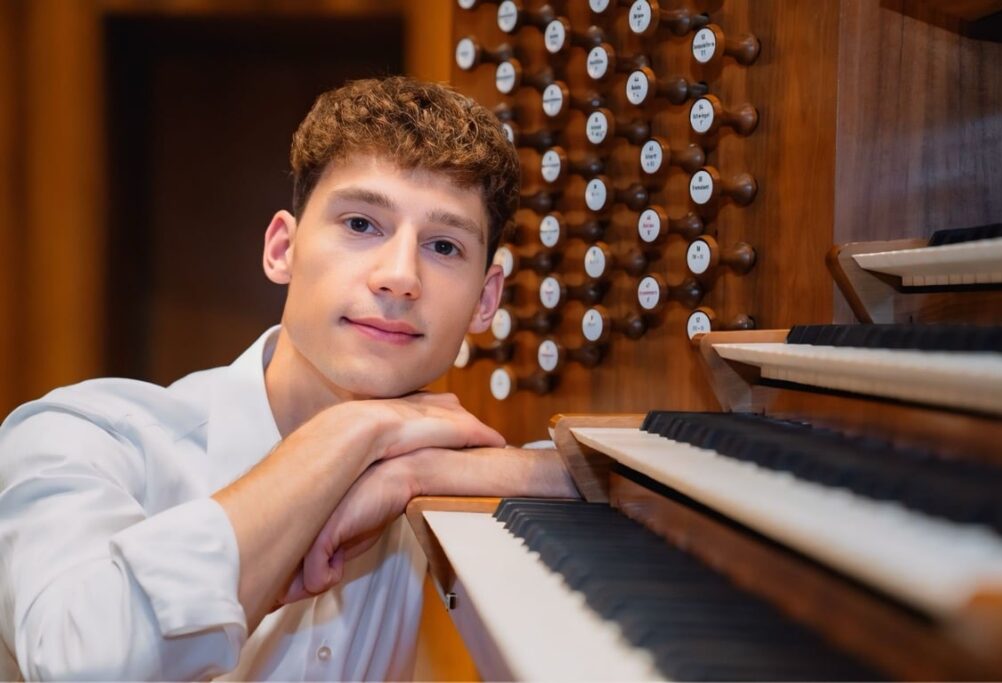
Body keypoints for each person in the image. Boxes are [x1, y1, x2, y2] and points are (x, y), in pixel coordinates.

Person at [0, 76, 578, 681]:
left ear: (485, 301)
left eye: (443, 246)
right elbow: (82, 666)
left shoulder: (441, 466)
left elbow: (629, 484)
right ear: (283, 249)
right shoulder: (78, 437)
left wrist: (421, 471)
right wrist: (350, 433)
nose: (401, 276)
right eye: (361, 224)